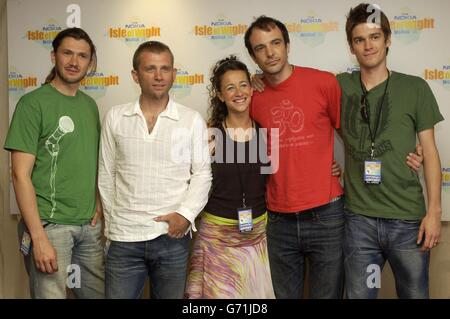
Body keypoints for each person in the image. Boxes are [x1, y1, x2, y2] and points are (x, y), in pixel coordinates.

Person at [337, 3, 443, 299]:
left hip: (407, 220)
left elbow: (431, 152)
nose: (368, 46)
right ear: (351, 46)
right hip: (359, 220)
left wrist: (434, 212)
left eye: (374, 37)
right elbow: (301, 99)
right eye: (359, 40)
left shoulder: (415, 88)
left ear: (387, 39)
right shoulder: (339, 86)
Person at [98, 41, 212, 299]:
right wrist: (114, 224)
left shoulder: (190, 119)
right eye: (151, 69)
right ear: (135, 75)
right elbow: (106, 175)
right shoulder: (116, 117)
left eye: (165, 68)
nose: (159, 76)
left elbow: (203, 174)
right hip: (124, 239)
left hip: (171, 239)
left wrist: (185, 215)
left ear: (173, 73)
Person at [244, 16, 345, 299]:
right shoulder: (251, 96)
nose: (270, 52)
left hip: (326, 212)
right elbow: (232, 136)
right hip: (278, 218)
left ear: (287, 45)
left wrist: (349, 171)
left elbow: (351, 135)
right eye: (260, 48)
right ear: (253, 55)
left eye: (276, 43)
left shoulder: (324, 82)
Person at [4, 28, 104, 299]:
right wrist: (38, 237)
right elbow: (19, 175)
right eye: (67, 53)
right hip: (49, 227)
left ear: (90, 62)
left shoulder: (90, 106)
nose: (74, 61)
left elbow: (87, 160)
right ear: (54, 56)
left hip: (88, 227)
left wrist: (95, 199)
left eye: (82, 55)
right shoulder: (32, 104)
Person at [185, 56, 275, 299]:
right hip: (216, 240)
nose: (238, 92)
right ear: (220, 95)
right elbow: (187, 181)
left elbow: (277, 177)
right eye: (230, 87)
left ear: (251, 88)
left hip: (256, 240)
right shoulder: (208, 135)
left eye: (243, 84)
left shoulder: (266, 133)